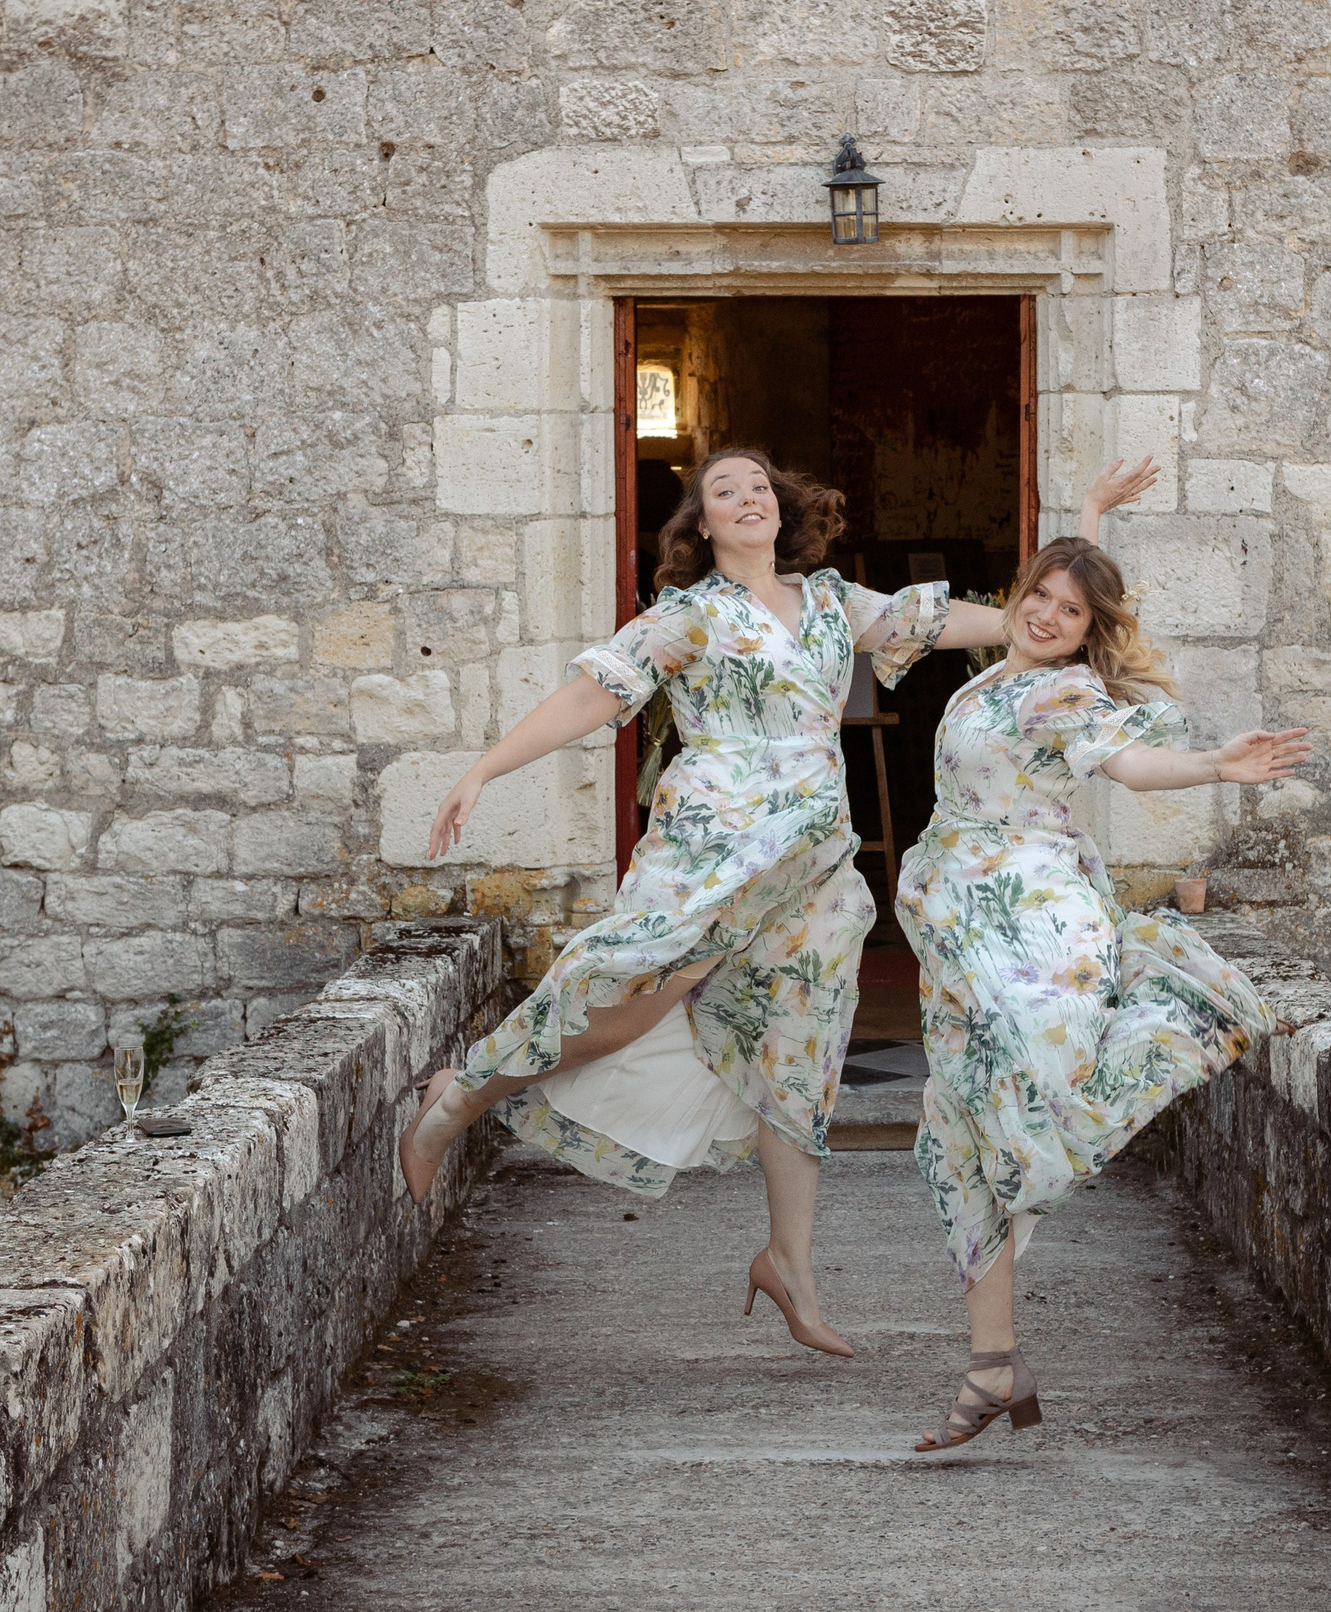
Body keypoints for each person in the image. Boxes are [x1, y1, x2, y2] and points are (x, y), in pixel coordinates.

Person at [403, 445, 1158, 1357]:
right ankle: (458, 1100)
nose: (748, 496)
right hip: (714, 855)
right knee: (617, 1007)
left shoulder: (838, 605)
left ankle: (789, 1264)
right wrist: (483, 769)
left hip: (813, 871)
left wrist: (1088, 515)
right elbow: (584, 697)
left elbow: (1024, 619)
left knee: (798, 1066)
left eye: (760, 484)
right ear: (703, 526)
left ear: (780, 508)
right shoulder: (687, 617)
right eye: (726, 490)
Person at [896, 531, 1312, 1449]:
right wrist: (1084, 515)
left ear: (1090, 632)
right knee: (960, 1133)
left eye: (1071, 609)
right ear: (1019, 593)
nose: (1047, 616)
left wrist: (1212, 765)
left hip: (1030, 922)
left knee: (1038, 1112)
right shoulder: (987, 675)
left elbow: (1129, 765)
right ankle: (992, 1365)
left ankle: (1186, 1018)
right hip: (958, 928)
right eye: (1040, 595)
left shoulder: (1064, 690)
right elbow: (1054, 575)